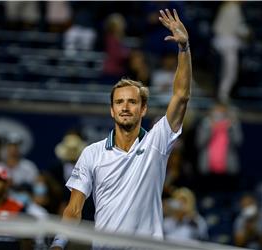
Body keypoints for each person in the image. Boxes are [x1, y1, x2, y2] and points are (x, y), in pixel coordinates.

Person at [51, 9, 192, 249]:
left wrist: (184, 49)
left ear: (143, 110)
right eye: (119, 102)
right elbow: (74, 208)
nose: (125, 107)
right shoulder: (92, 153)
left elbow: (181, 95)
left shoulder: (157, 142)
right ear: (112, 110)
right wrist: (58, 242)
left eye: (132, 102)